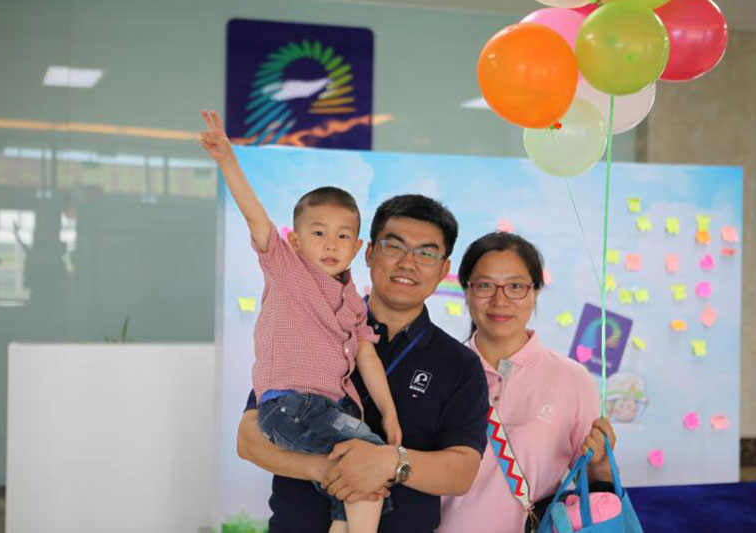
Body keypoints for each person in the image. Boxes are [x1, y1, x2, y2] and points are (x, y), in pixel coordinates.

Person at [237, 194, 489, 532]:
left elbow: (461, 473)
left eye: (426, 253)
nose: (408, 263)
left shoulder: (459, 364)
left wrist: (390, 462)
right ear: (368, 253)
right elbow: (248, 440)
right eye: (394, 247)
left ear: (444, 269)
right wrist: (325, 470)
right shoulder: (308, 320)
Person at [200, 109, 401, 533]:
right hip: (291, 406)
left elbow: (366, 356)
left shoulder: (354, 302)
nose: (331, 244)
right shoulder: (286, 270)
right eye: (318, 233)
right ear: (294, 240)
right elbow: (255, 216)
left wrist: (389, 412)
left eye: (342, 236)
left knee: (350, 476)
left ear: (357, 247)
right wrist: (228, 161)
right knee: (367, 455)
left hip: (326, 409)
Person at [438, 231, 617, 533]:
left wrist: (600, 462)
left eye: (516, 286)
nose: (500, 300)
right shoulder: (439, 371)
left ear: (535, 293)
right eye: (485, 285)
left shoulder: (572, 380)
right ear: (467, 291)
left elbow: (595, 489)